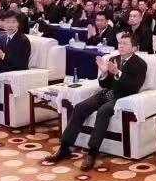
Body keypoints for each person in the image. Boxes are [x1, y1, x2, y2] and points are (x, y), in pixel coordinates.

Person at [44, 33, 148, 170]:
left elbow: (133, 87)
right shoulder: (114, 59)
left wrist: (117, 72)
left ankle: (92, 152)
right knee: (80, 107)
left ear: (134, 48)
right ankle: (64, 147)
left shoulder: (140, 64)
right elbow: (105, 85)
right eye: (120, 43)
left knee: (103, 111)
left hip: (123, 97)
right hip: (107, 93)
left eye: (125, 44)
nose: (121, 46)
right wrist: (104, 73)